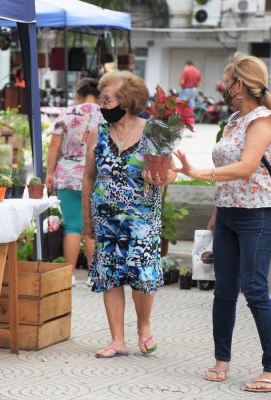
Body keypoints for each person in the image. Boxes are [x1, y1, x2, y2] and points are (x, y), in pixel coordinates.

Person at [175, 52, 271, 393]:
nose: (225, 86)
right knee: (223, 291)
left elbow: (245, 166)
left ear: (241, 84)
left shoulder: (265, 120)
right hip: (228, 214)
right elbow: (230, 177)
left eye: (229, 80)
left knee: (255, 290)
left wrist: (198, 173)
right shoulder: (235, 120)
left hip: (259, 214)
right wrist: (215, 214)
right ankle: (222, 360)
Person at [82, 71, 176, 358]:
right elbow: (88, 177)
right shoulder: (99, 131)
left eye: (107, 99)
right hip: (106, 217)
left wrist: (164, 179)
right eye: (101, 99)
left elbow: (170, 171)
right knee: (109, 275)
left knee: (142, 274)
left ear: (126, 100)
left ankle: (143, 327)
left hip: (142, 218)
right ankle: (117, 340)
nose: (102, 105)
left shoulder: (154, 131)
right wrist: (87, 219)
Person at [46, 78, 103, 286]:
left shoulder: (66, 113)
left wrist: (49, 174)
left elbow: (54, 147)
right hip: (96, 175)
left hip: (67, 175)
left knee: (72, 225)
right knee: (92, 226)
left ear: (78, 95)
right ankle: (94, 275)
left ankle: (68, 276)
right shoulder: (105, 114)